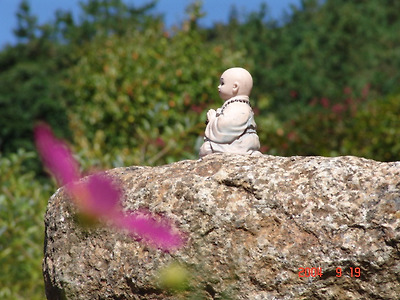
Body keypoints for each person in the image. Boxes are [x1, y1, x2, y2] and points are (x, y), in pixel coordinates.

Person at [199, 67, 261, 157]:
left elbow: (225, 128)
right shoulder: (237, 105)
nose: (218, 86)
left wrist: (213, 120)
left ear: (235, 87)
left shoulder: (238, 107)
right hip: (242, 143)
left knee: (206, 148)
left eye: (222, 83)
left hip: (240, 145)